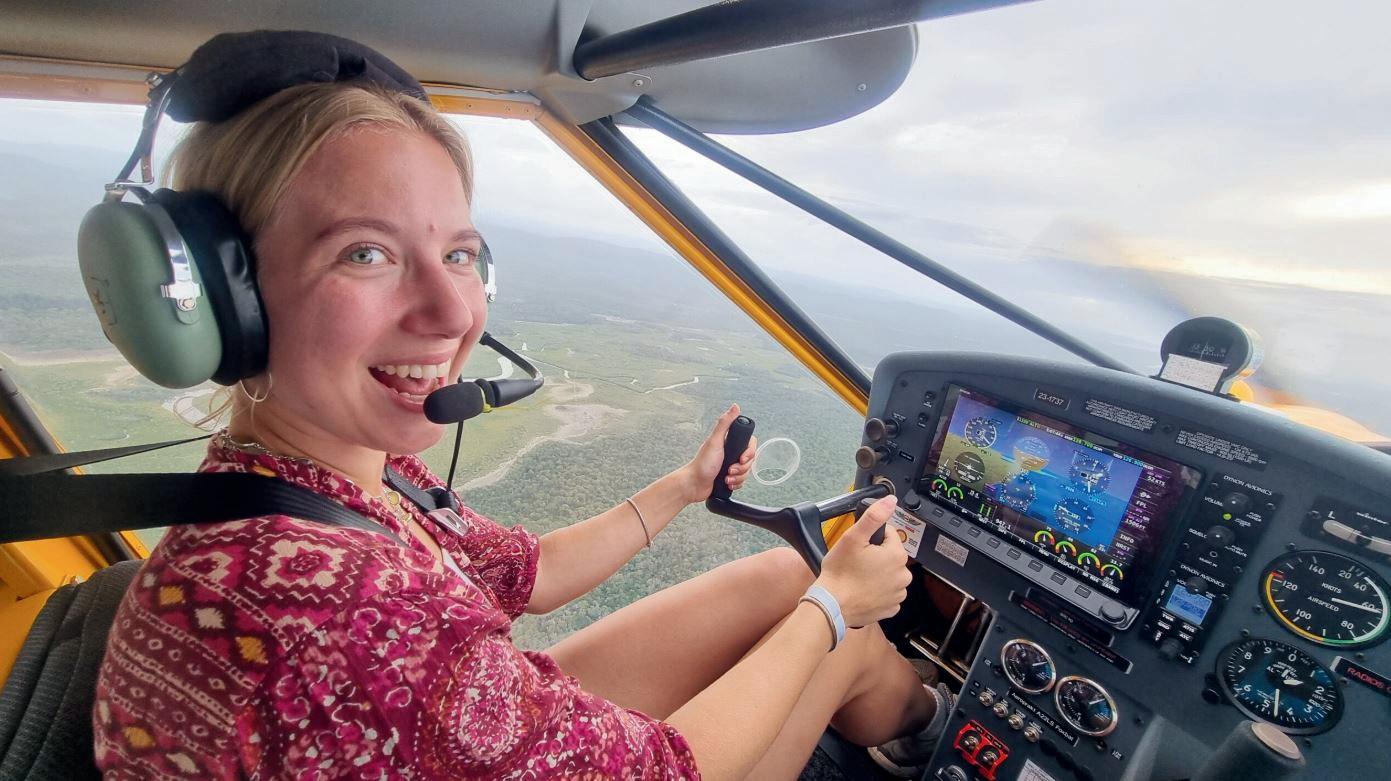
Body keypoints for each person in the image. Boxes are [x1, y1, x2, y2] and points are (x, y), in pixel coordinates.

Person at [92, 66, 950, 780]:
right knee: (838, 638)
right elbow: (668, 769)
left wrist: (683, 488)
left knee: (780, 574)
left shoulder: (323, 478)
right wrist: (833, 608)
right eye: (366, 252)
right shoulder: (347, 620)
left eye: (458, 254)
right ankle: (930, 736)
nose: (451, 312)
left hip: (448, 730)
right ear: (225, 302)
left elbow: (524, 575)